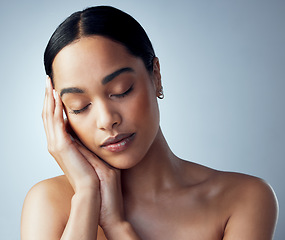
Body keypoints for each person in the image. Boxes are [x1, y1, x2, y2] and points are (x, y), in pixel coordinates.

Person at [21, 6, 278, 240]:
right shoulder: (48, 203)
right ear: (60, 114)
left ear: (156, 75)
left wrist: (116, 225)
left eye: (121, 90)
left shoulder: (244, 199)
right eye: (80, 106)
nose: (107, 120)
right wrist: (87, 195)